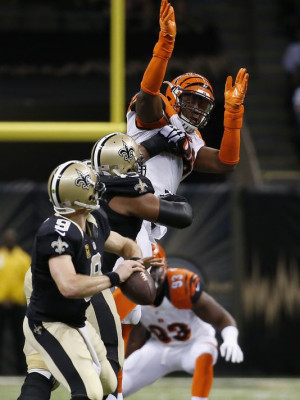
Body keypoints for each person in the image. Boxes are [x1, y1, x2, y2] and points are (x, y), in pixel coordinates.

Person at [18, 160, 147, 400]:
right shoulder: (57, 232)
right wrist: (117, 276)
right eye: (93, 186)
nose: (99, 189)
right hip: (50, 323)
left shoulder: (92, 221)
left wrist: (137, 265)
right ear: (79, 195)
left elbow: (125, 244)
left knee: (109, 383)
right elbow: (69, 286)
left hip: (76, 319)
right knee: (89, 391)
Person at [126, 0, 249, 199]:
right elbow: (148, 93)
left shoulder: (193, 138)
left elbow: (225, 162)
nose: (196, 108)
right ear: (173, 96)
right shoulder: (159, 112)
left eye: (202, 104)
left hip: (155, 212)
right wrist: (164, 47)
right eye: (191, 99)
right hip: (131, 200)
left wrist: (233, 115)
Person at [122, 242, 244, 400]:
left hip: (194, 343)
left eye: (153, 270)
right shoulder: (129, 292)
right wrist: (122, 361)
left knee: (205, 352)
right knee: (121, 381)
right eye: (145, 270)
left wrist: (231, 338)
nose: (149, 276)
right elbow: (136, 337)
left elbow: (221, 317)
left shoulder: (179, 285)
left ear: (163, 269)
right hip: (159, 346)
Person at [0, 228, 31, 375]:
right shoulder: (0, 256)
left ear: (16, 240)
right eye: (7, 238)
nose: (9, 240)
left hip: (18, 305)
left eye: (12, 238)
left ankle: (21, 371)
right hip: (1, 304)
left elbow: (28, 282)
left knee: (20, 338)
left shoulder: (23, 258)